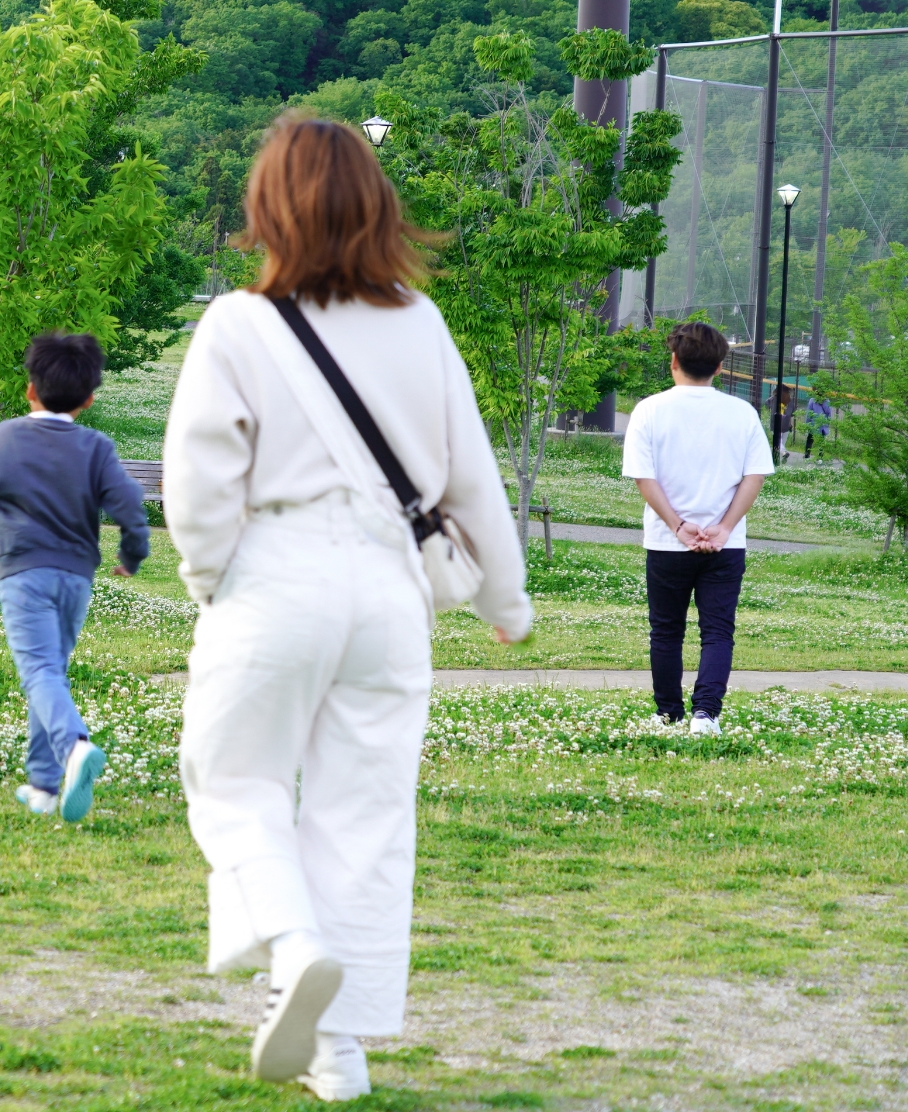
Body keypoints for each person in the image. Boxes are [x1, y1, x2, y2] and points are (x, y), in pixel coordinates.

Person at [163, 116, 531, 1101]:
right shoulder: (418, 321)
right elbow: (471, 478)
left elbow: (198, 487)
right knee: (362, 813)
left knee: (232, 780)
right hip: (387, 591)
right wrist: (504, 598)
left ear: (265, 206)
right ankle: (341, 1052)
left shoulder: (236, 324)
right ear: (375, 204)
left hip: (276, 569)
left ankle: (290, 941)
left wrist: (212, 586)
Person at [0, 332, 149, 825]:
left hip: (25, 574)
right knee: (50, 673)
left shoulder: (5, 437)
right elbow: (129, 506)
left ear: (29, 389)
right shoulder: (97, 447)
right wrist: (132, 554)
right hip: (76, 579)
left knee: (38, 673)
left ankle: (75, 747)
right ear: (89, 398)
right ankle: (41, 787)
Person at [621, 320, 773, 736]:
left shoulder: (649, 409)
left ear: (673, 361)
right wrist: (723, 528)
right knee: (718, 630)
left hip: (668, 542)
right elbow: (754, 476)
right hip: (726, 545)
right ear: (721, 367)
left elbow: (643, 477)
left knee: (666, 629)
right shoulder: (742, 413)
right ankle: (706, 715)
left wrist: (678, 525)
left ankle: (667, 712)